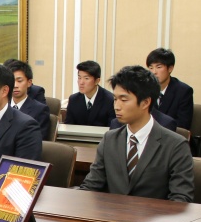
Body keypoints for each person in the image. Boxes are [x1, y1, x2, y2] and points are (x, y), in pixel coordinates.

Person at [78, 66, 194, 202]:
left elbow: (181, 198)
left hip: (154, 220)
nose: (116, 106)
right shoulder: (110, 139)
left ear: (145, 102)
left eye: (124, 100)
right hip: (112, 217)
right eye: (115, 99)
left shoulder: (176, 145)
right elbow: (91, 186)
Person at [147, 48, 194, 130]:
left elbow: (183, 125)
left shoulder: (183, 91)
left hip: (171, 138)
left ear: (170, 68)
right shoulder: (144, 90)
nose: (154, 72)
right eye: (151, 68)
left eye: (158, 67)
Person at [4, 59, 50, 141]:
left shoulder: (40, 110)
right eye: (11, 81)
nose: (15, 85)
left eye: (19, 81)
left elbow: (39, 140)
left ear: (29, 82)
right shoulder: (1, 106)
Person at [64, 60, 115, 127]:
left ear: (97, 81)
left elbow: (113, 129)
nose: (81, 82)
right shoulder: (73, 99)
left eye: (86, 78)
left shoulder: (109, 100)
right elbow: (68, 127)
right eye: (79, 78)